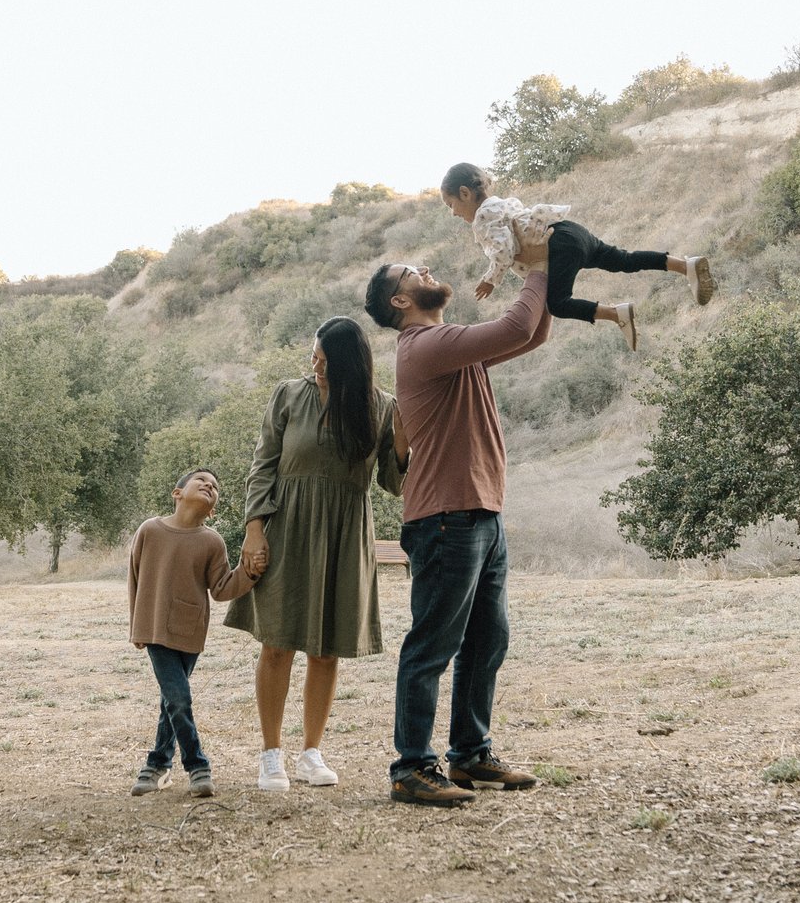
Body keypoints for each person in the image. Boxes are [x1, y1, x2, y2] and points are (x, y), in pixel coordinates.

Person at [364, 258, 549, 807]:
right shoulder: (425, 346)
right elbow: (517, 325)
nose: (425, 269)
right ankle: (411, 768)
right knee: (433, 644)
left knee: (488, 639)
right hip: (446, 517)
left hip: (480, 512)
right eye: (410, 271)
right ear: (400, 301)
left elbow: (534, 333)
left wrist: (546, 273)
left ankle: (470, 756)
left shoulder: (449, 348)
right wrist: (538, 266)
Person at [224, 316, 407, 792]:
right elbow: (263, 466)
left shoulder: (381, 406)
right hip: (288, 526)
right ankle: (271, 755)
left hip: (345, 533)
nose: (316, 367)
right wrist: (254, 530)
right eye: (314, 357)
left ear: (350, 366)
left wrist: (405, 437)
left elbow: (393, 483)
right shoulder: (288, 395)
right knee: (277, 643)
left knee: (326, 651)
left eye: (325, 362)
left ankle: (311, 753)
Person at [439, 161, 714, 352]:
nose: (453, 213)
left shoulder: (483, 218)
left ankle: (616, 313)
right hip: (569, 230)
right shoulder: (502, 203)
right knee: (624, 260)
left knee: (558, 304)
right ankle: (684, 265)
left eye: (451, 204)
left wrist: (491, 280)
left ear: (465, 193)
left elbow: (503, 252)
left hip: (557, 245)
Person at [125, 468, 263, 798]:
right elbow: (134, 576)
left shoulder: (212, 541)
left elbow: (222, 587)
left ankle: (158, 765)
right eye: (201, 480)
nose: (209, 485)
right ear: (177, 493)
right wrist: (136, 625)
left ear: (212, 510)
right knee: (178, 698)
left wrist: (250, 573)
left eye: (214, 486)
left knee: (171, 701)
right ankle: (197, 765)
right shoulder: (150, 530)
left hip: (189, 632)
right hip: (154, 630)